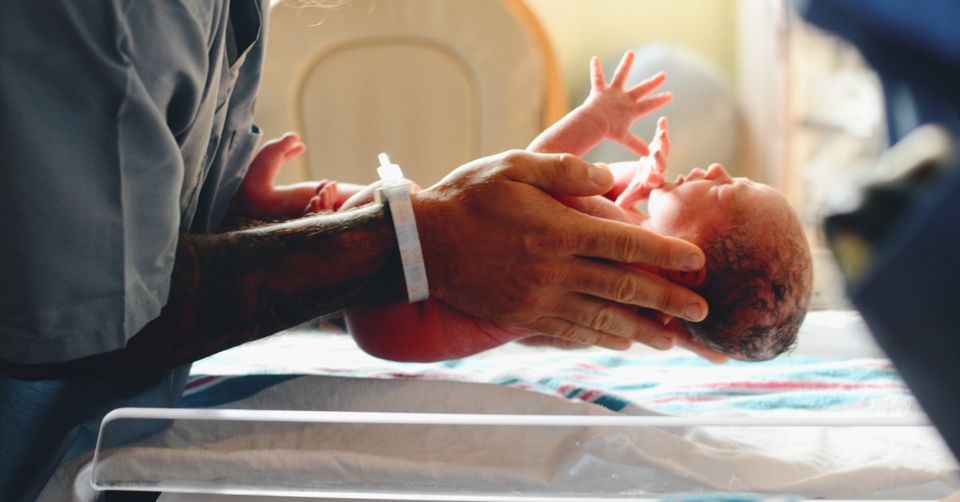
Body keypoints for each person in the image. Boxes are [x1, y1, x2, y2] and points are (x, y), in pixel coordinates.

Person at [0, 3, 710, 499]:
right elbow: (89, 313)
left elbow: (126, 246)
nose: (711, 172)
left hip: (118, 419)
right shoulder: (112, 20)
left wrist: (235, 223)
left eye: (729, 192)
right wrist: (410, 239)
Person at [243, 52, 813, 363]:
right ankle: (272, 210)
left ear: (687, 265)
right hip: (401, 329)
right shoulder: (639, 290)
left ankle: (267, 207)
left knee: (382, 203)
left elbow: (525, 182)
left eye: (722, 190)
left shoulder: (613, 239)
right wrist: (644, 188)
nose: (713, 169)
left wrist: (599, 118)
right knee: (382, 207)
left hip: (405, 309)